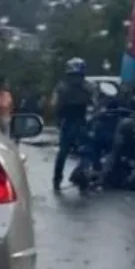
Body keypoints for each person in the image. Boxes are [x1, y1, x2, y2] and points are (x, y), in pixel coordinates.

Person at [52, 58, 96, 192]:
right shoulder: (64, 88)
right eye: (73, 76)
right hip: (71, 122)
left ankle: (79, 177)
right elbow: (57, 106)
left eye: (77, 76)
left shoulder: (87, 87)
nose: (75, 79)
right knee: (65, 152)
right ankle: (58, 178)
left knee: (85, 151)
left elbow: (94, 105)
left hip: (80, 122)